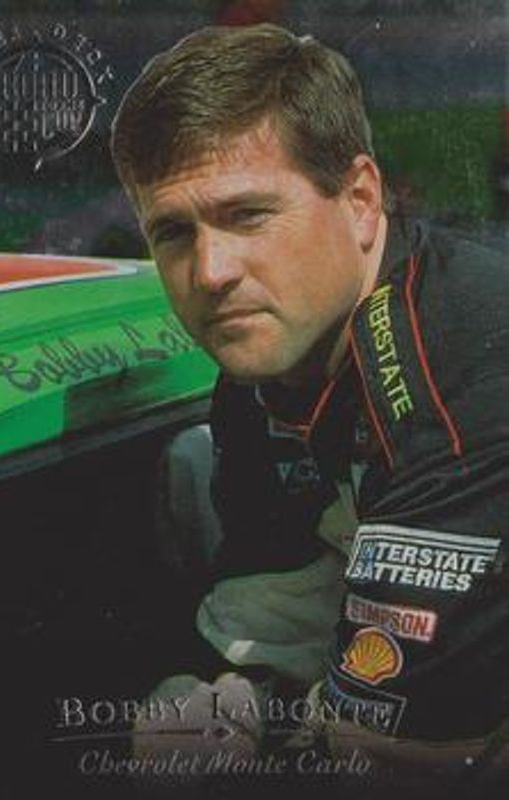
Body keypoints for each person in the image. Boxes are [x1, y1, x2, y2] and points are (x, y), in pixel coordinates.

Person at [111, 23, 509, 796]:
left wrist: (261, 723)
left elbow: (398, 750)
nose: (210, 271)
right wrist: (241, 695)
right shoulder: (269, 364)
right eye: (173, 232)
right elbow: (269, 604)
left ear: (360, 200)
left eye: (248, 215)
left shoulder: (456, 371)